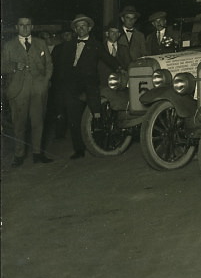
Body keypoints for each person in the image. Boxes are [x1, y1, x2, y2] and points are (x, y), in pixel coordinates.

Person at [52, 14, 119, 159]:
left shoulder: (96, 45)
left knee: (96, 114)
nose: (81, 29)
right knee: (73, 118)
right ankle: (79, 150)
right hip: (72, 86)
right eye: (78, 26)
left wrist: (121, 69)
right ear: (75, 29)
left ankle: (99, 145)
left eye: (84, 26)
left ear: (89, 28)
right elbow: (62, 67)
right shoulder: (68, 45)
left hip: (89, 84)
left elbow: (109, 60)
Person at [1, 16, 53, 165]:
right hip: (18, 90)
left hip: (38, 89)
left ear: (32, 27)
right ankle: (19, 156)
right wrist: (14, 67)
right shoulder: (9, 46)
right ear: (17, 27)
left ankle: (37, 154)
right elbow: (2, 67)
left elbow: (49, 64)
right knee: (19, 124)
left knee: (38, 122)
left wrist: (45, 82)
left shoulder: (41, 43)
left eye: (27, 25)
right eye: (21, 25)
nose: (25, 27)